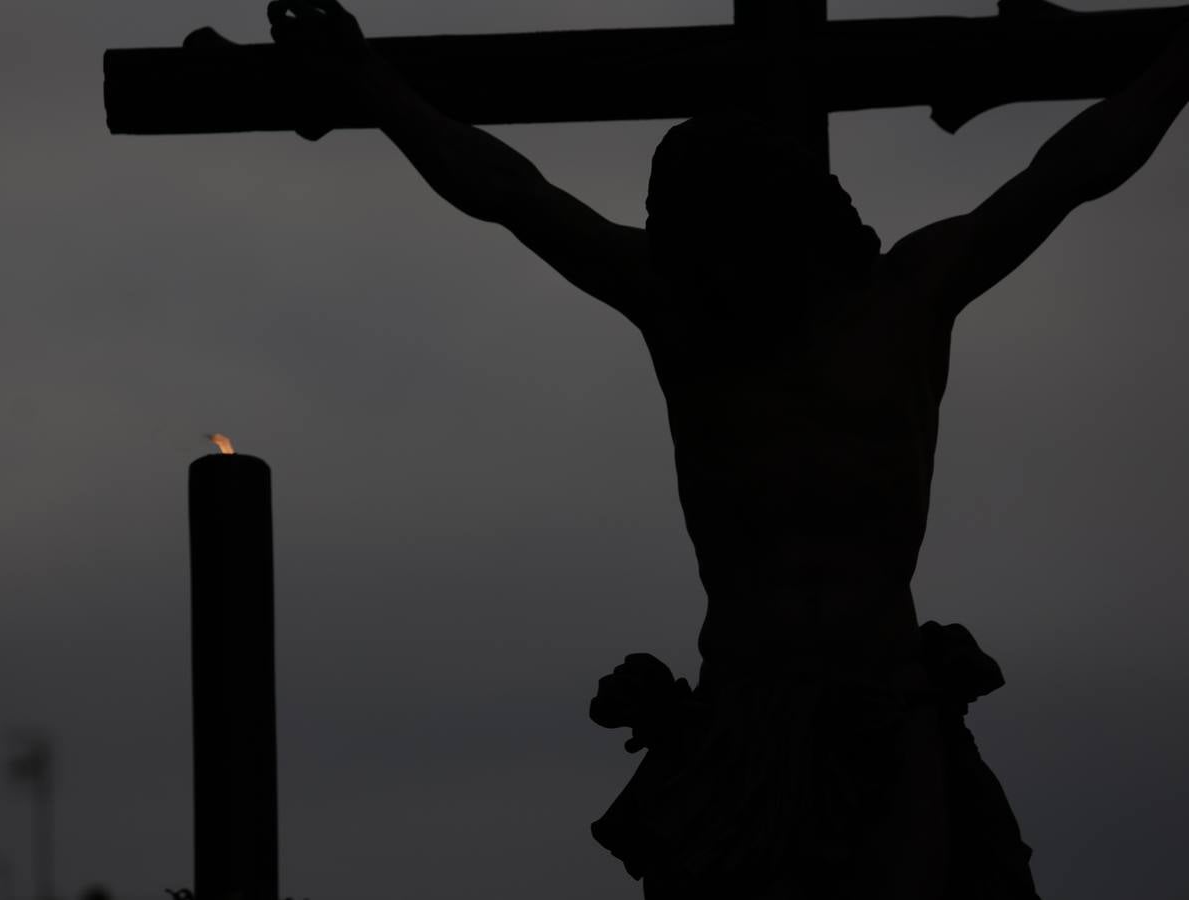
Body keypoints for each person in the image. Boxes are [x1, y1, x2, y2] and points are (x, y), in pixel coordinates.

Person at [255, 2, 1189, 896]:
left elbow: (1069, 170)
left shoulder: (907, 298)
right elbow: (508, 192)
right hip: (744, 709)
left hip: (887, 705)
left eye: (715, 236)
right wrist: (371, 84)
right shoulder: (681, 316)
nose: (701, 262)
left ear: (775, 225)